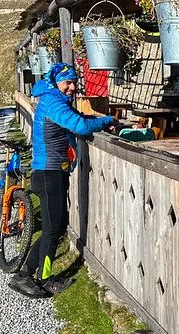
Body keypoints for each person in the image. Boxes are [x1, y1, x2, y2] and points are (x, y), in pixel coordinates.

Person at [8, 62, 115, 298]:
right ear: (56, 83)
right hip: (49, 173)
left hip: (52, 172)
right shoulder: (53, 102)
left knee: (54, 227)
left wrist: (97, 118)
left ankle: (25, 274)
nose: (73, 87)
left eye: (75, 82)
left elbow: (77, 116)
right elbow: (80, 125)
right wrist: (107, 120)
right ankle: (43, 279)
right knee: (52, 229)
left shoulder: (55, 99)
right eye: (68, 82)